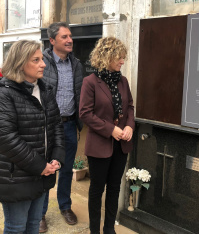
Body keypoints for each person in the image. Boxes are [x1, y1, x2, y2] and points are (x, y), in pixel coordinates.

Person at [0, 40, 65, 234]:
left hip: (42, 174)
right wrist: (41, 166)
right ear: (20, 63)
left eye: (42, 59)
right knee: (16, 227)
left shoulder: (45, 90)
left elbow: (56, 127)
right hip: (17, 177)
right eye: (36, 60)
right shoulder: (5, 93)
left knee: (34, 224)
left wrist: (56, 158)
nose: (43, 64)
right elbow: (6, 137)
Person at [79, 37, 135, 234]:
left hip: (121, 145)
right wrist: (110, 129)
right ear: (107, 56)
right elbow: (85, 113)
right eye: (119, 57)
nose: (122, 61)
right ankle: (94, 230)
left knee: (114, 188)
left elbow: (129, 107)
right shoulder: (90, 82)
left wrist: (129, 126)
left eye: (123, 57)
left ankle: (109, 228)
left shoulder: (123, 81)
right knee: (97, 191)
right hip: (99, 146)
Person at [40, 22, 84, 232]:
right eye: (64, 37)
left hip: (68, 125)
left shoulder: (76, 64)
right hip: (47, 127)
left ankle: (65, 206)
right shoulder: (42, 62)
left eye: (70, 36)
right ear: (52, 41)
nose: (69, 40)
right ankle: (40, 213)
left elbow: (81, 94)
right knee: (45, 169)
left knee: (66, 169)